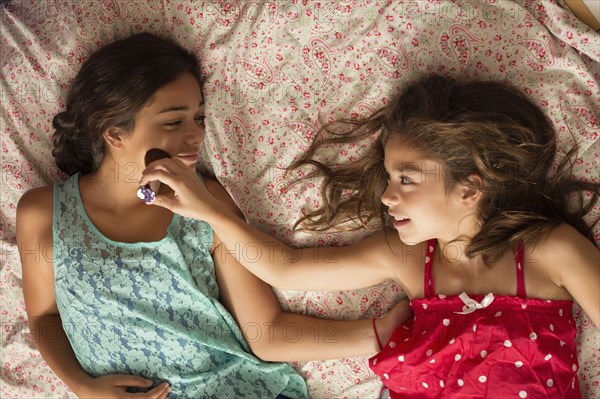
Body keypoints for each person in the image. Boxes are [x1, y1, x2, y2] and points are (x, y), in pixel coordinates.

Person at [140, 75, 600, 398]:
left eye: (406, 179)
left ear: (470, 188)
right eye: (388, 177)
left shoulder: (550, 251)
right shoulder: (406, 257)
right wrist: (206, 210)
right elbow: (285, 268)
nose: (386, 196)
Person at [15, 33, 411, 399]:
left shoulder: (205, 202)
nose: (196, 135)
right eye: (174, 121)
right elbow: (45, 317)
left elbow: (265, 331)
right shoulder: (43, 213)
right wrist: (83, 387)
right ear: (114, 133)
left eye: (199, 118)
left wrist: (376, 334)